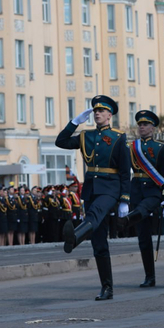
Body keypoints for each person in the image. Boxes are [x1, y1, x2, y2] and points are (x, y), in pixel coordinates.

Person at [57, 95, 131, 301]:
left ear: (109, 115)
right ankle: (107, 288)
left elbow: (126, 171)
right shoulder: (85, 136)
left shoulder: (118, 137)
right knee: (99, 242)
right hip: (91, 189)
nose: (97, 113)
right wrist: (74, 123)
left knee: (95, 213)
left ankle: (76, 237)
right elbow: (60, 141)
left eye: (101, 111)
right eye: (95, 111)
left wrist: (125, 198)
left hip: (110, 188)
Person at [117, 110, 164, 288]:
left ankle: (127, 220)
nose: (142, 127)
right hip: (136, 191)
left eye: (145, 124)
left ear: (153, 128)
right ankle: (149, 276)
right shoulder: (132, 147)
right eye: (140, 124)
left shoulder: (160, 147)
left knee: (144, 208)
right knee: (143, 239)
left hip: (154, 192)